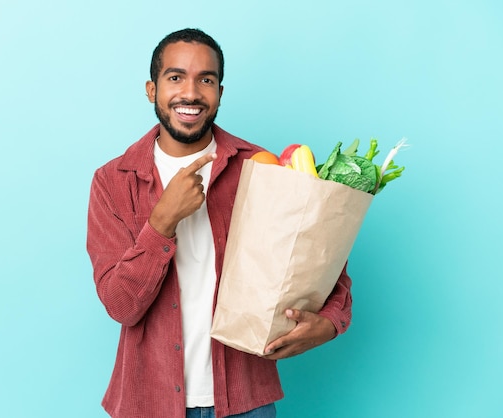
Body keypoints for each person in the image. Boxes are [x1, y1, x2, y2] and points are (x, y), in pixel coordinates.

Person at [86, 28, 352, 418]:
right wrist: (161, 222)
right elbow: (121, 305)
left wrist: (330, 322)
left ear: (220, 92)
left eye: (205, 80)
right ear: (151, 89)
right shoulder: (113, 180)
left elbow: (323, 261)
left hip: (246, 400)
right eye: (175, 77)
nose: (190, 93)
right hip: (148, 403)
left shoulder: (260, 166)